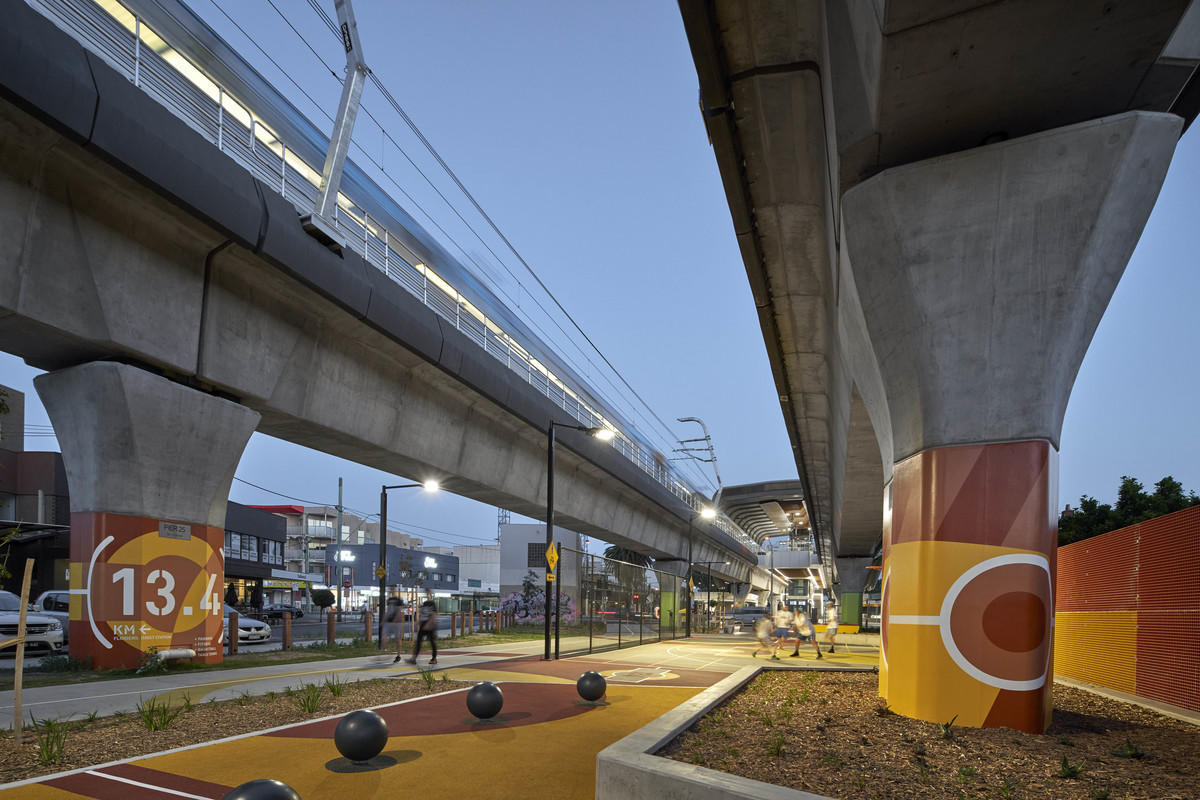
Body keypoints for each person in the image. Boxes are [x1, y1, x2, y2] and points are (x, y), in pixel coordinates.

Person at [407, 587, 438, 666]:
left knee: (432, 641)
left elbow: (434, 614)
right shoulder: (425, 603)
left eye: (428, 592)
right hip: (423, 624)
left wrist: (429, 624)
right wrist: (417, 624)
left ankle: (434, 658)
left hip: (430, 625)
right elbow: (422, 615)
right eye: (426, 592)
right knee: (418, 642)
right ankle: (413, 658)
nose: (426, 594)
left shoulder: (432, 603)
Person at [381, 589, 404, 663]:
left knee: (397, 639)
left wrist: (395, 620)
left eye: (392, 589)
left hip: (397, 623)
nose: (391, 590)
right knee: (384, 637)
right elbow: (387, 611)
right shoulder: (389, 600)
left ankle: (398, 655)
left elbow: (399, 611)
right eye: (390, 589)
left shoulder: (398, 600)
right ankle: (388, 650)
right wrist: (383, 620)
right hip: (388, 621)